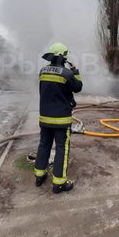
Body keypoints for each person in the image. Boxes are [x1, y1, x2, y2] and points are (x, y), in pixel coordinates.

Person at [34, 42, 82, 194]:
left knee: (44, 145)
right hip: (61, 120)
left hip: (44, 118)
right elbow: (78, 87)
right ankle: (59, 183)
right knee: (62, 149)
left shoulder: (42, 71)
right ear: (63, 57)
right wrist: (75, 70)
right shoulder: (67, 73)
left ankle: (40, 175)